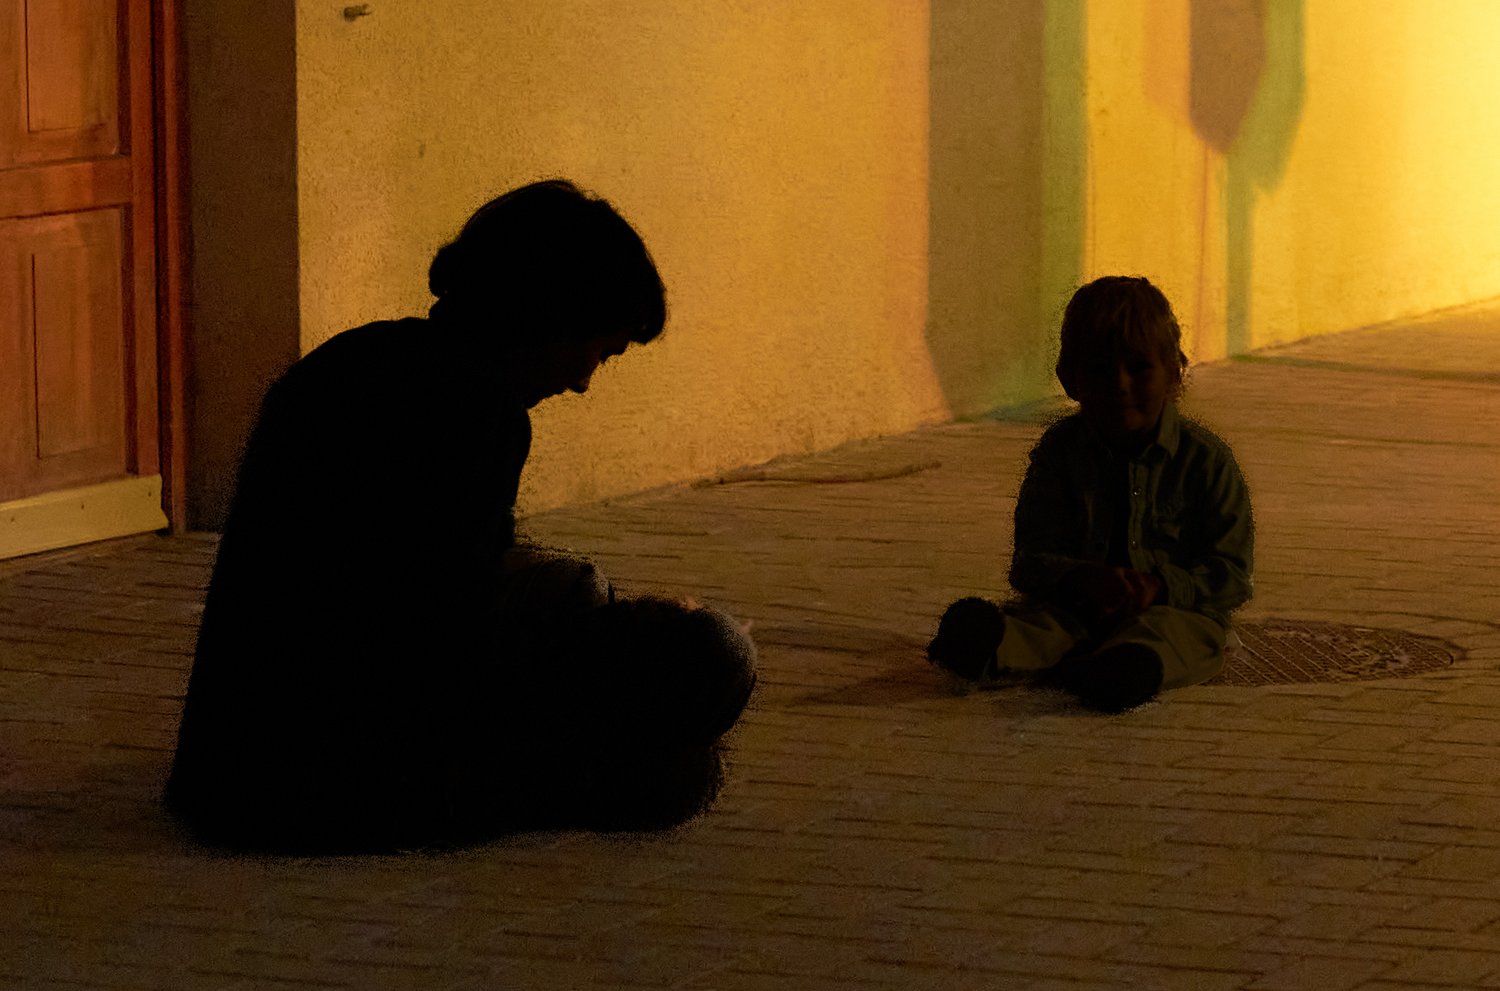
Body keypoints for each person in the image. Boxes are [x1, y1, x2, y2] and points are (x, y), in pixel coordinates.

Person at [165, 180, 756, 853]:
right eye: (599, 350)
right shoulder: (478, 413)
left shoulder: (349, 360)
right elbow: (440, 636)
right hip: (334, 780)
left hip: (227, 766)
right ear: (555, 318)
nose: (583, 381)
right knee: (709, 666)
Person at [927, 276, 1253, 712]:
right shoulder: (1059, 453)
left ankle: (1123, 669)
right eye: (1100, 370)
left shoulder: (1206, 461)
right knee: (1040, 626)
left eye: (1139, 368)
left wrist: (1158, 587)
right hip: (1076, 608)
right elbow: (1030, 561)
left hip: (1173, 613)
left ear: (1174, 371)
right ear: (1070, 378)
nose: (1120, 384)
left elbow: (1231, 575)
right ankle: (987, 645)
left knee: (1181, 636)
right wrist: (1081, 580)